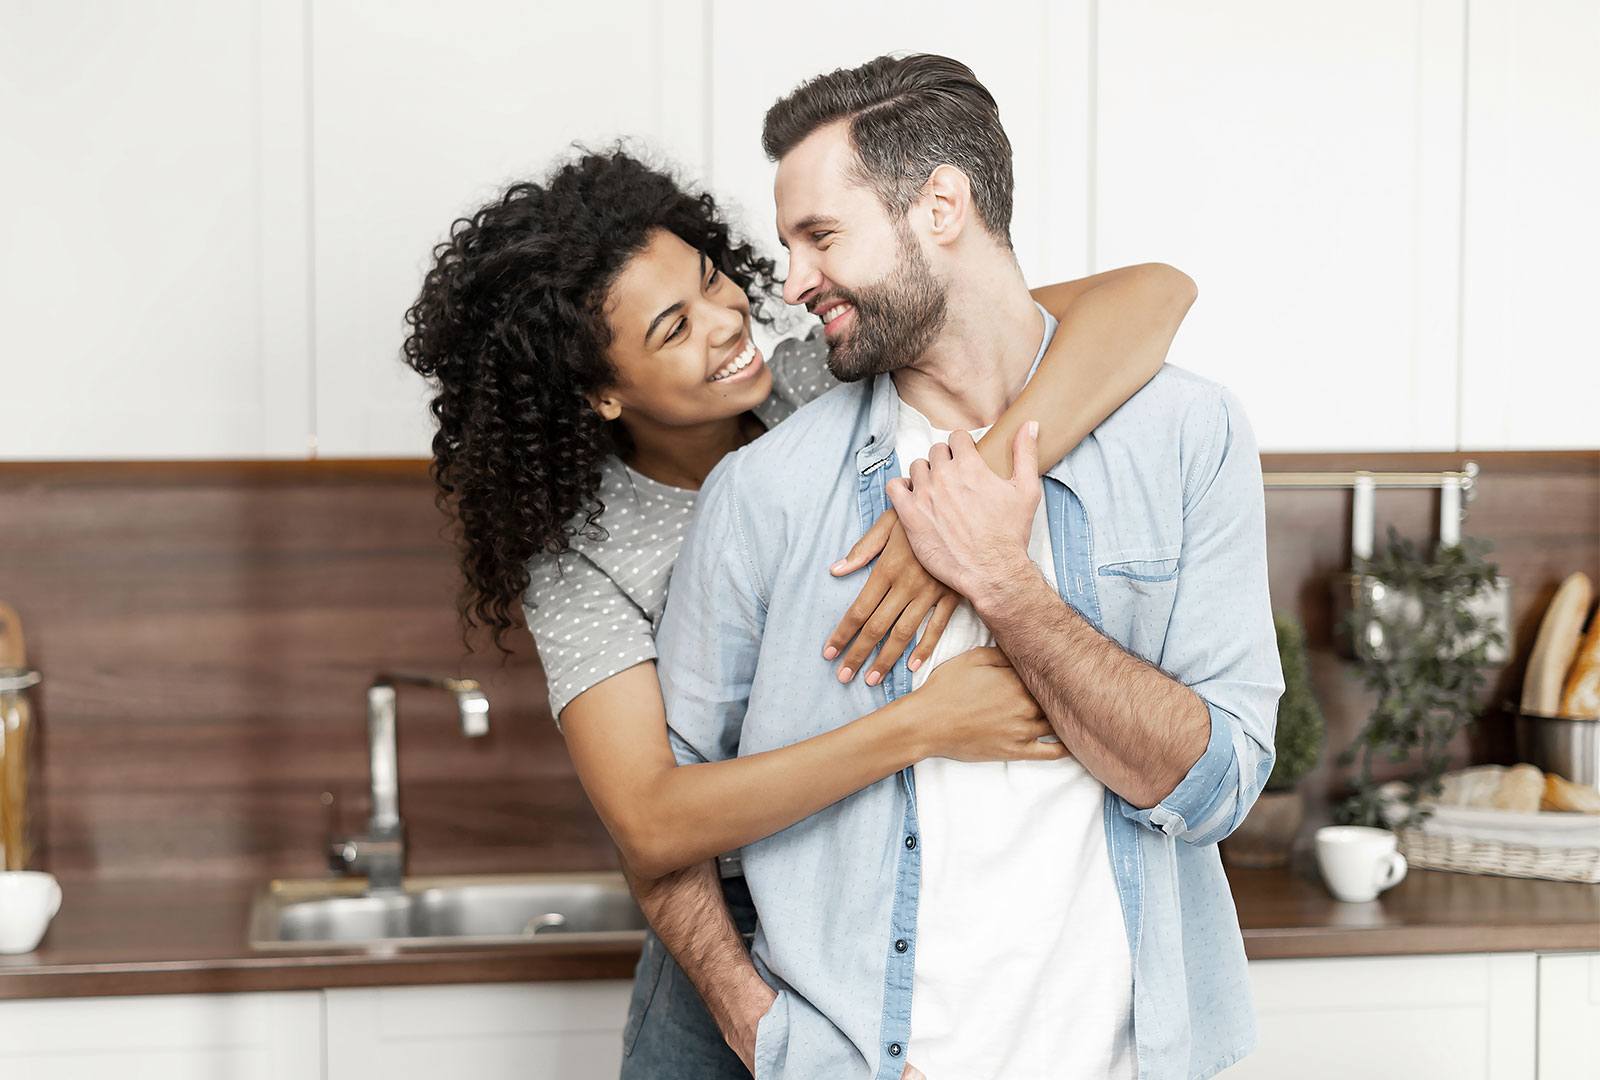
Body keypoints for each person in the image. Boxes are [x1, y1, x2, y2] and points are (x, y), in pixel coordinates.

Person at [401, 148, 1195, 1077]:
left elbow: (1152, 296)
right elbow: (653, 822)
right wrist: (920, 729)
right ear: (599, 393)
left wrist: (961, 501)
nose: (728, 321)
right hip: (728, 952)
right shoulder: (583, 556)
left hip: (890, 913)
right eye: (673, 328)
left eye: (710, 281)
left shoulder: (826, 379)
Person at [655, 53, 1284, 1080]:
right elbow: (673, 820)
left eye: (820, 236)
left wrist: (1003, 583)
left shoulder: (1184, 435)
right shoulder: (763, 493)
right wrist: (766, 1034)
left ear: (940, 204)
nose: (792, 281)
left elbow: (1213, 788)